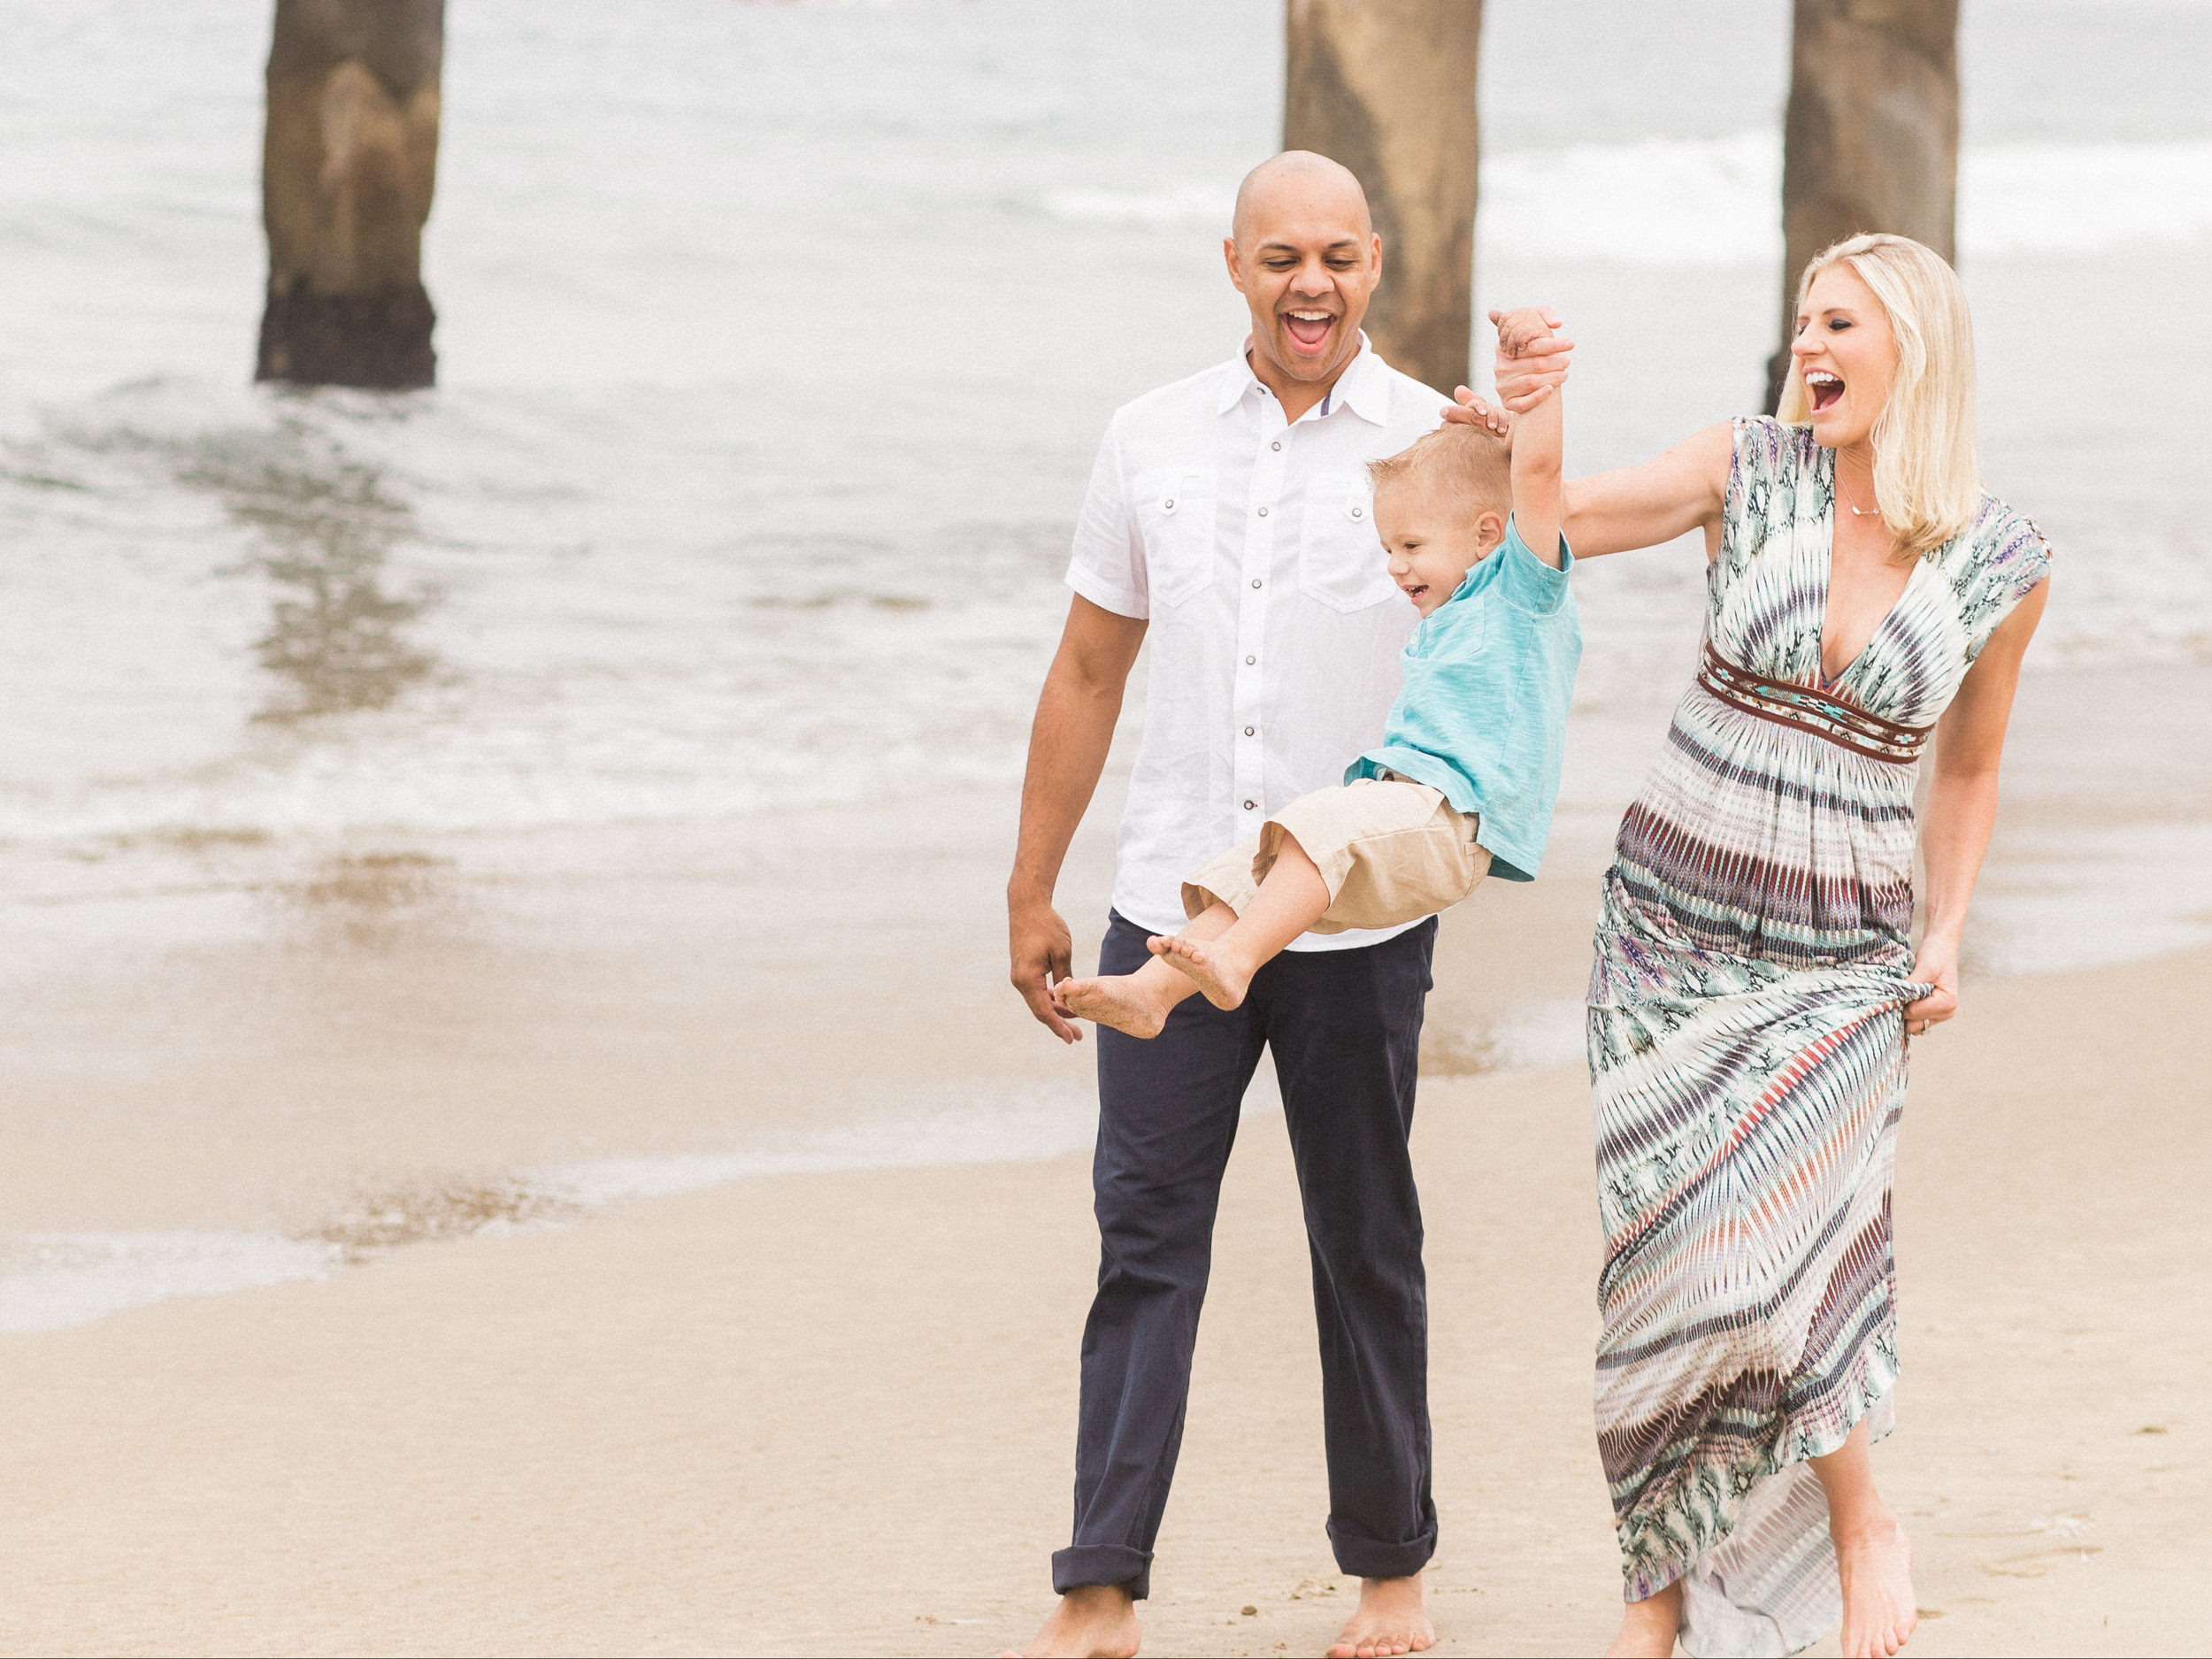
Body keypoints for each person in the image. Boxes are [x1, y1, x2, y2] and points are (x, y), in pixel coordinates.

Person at [1451, 233, 2051, 1659]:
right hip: (1671, 932)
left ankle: (1859, 1519)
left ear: (1917, 346)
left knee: (1775, 1261)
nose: (1811, 343)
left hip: (1846, 953)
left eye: (1841, 320)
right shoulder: (1747, 465)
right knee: (1666, 1272)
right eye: (1802, 318)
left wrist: (1952, 930)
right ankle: (1655, 1591)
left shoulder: (2000, 562)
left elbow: (1966, 771)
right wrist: (1531, 417)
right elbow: (1553, 527)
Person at [1003, 150, 1487, 1659]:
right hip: (1165, 900)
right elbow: (1092, 670)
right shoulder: (1148, 441)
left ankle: (1391, 1574)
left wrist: (1528, 425)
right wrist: (1033, 886)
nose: (1312, 285)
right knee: (1144, 1237)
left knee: (1365, 1240)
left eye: (1339, 256)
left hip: (1350, 920)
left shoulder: (1438, 441)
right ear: (1234, 266)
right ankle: (1099, 1587)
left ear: (1378, 264)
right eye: (1283, 258)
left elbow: (1515, 635)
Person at [1055, 305, 1579, 1039]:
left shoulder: (1521, 587)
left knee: (1317, 821)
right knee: (1259, 862)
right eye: (1389, 547)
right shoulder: (1451, 603)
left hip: (1459, 817)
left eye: (1410, 545)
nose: (1394, 566)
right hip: (1400, 803)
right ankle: (1154, 990)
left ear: (1488, 533)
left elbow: (1541, 472)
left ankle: (1235, 960)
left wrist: (1531, 383)